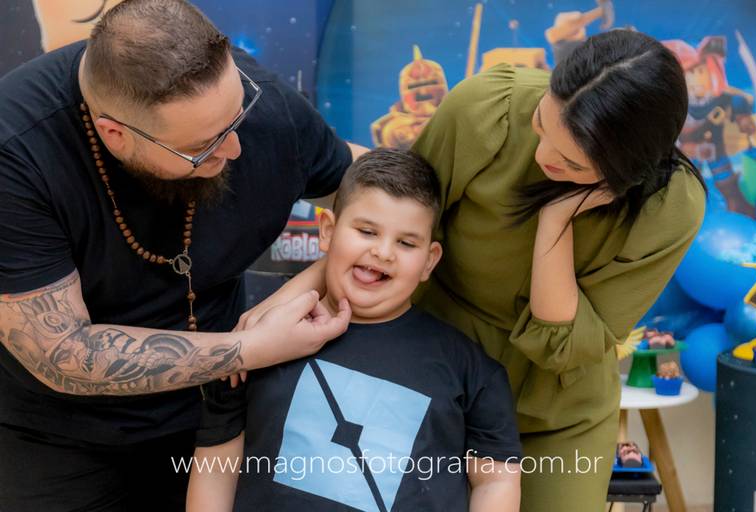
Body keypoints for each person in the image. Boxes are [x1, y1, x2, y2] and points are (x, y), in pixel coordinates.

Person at [0, 0, 366, 510]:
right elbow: (61, 351)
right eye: (203, 147)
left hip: (223, 417)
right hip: (61, 439)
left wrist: (302, 286)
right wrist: (253, 348)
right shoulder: (16, 152)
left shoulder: (254, 102)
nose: (234, 149)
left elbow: (372, 196)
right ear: (115, 134)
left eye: (237, 117)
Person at [410, 30, 707, 511]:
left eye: (572, 161)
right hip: (433, 375)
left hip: (559, 410)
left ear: (628, 171)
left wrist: (555, 222)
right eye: (540, 123)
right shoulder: (485, 109)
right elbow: (398, 231)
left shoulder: (671, 206)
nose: (542, 156)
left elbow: (566, 343)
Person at [187, 148, 522, 512]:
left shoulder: (471, 371)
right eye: (366, 231)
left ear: (430, 261)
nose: (383, 252)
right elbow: (216, 465)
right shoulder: (261, 340)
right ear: (327, 231)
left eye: (406, 243)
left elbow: (496, 480)